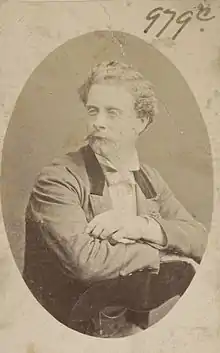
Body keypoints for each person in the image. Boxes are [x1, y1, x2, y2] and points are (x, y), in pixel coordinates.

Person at [23, 61, 207, 337]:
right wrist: (163, 254)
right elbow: (86, 262)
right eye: (93, 111)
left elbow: (200, 239)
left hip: (130, 326)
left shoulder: (149, 179)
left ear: (140, 122)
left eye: (113, 113)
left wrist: (141, 227)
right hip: (62, 330)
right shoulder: (58, 179)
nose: (98, 122)